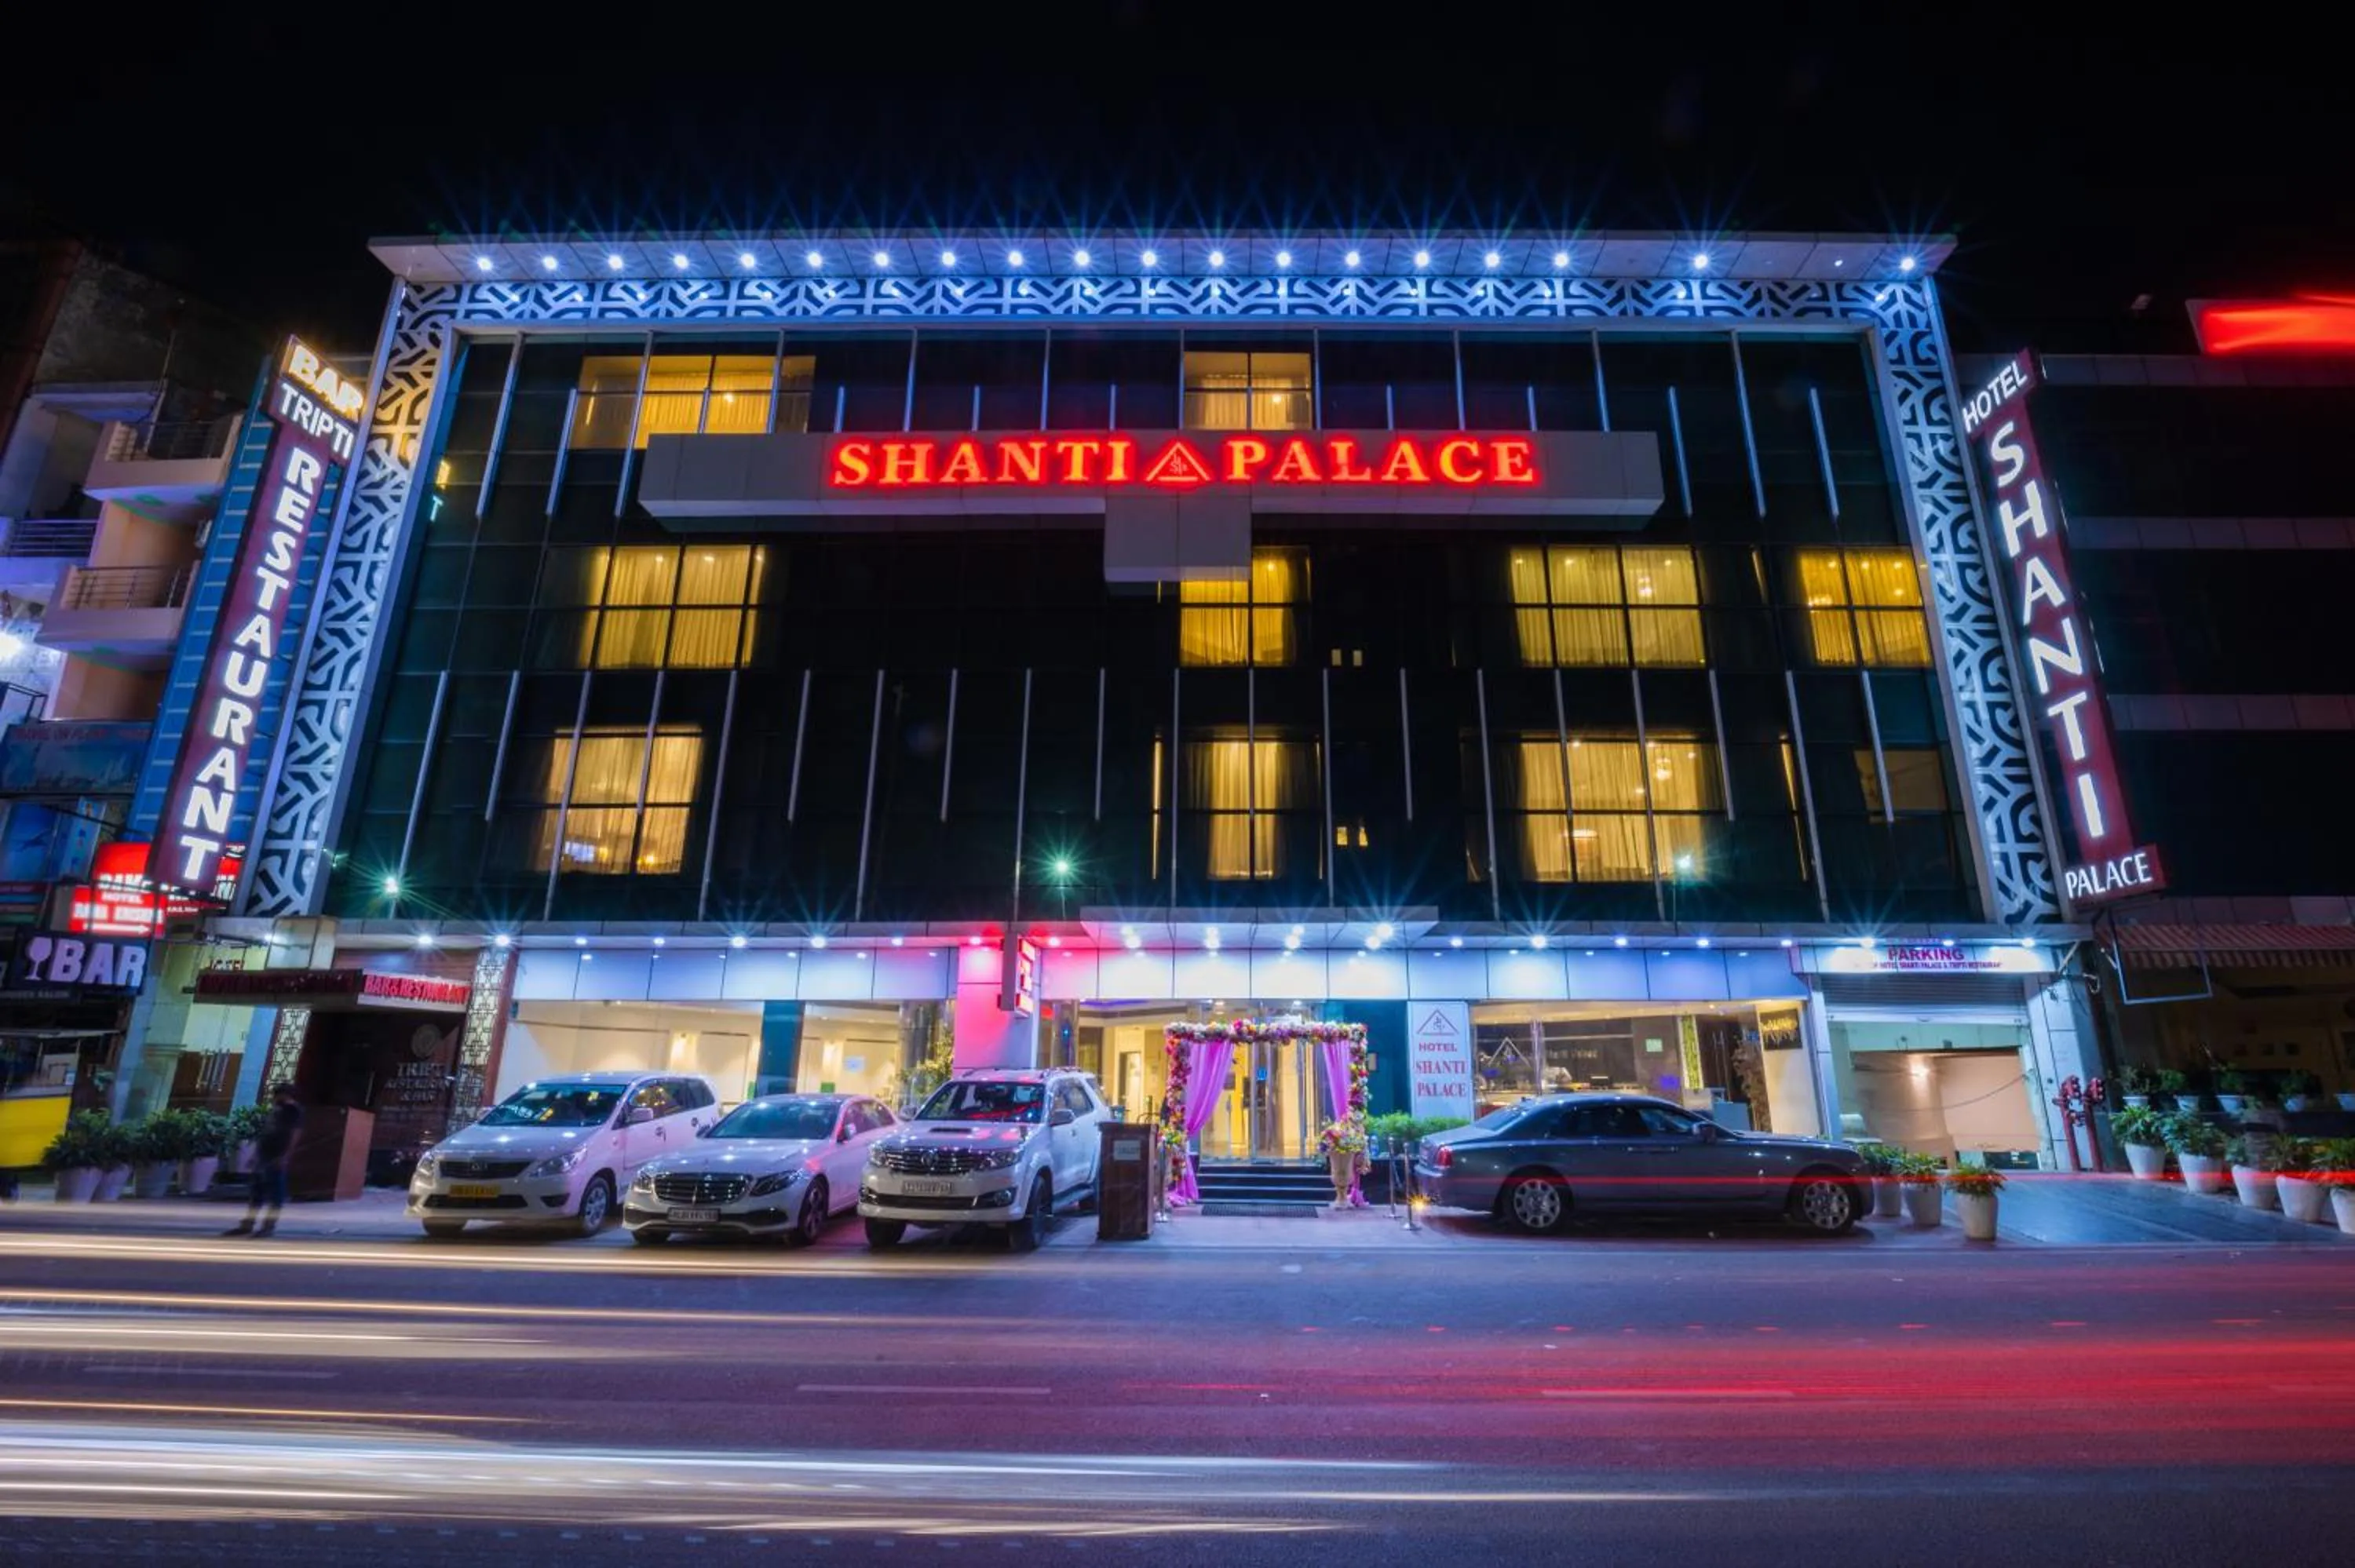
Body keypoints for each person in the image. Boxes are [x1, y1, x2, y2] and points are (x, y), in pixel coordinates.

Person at [226, 1084, 303, 1237]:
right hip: (264, 1154)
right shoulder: (276, 1110)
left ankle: (268, 1226)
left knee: (276, 1194)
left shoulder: (294, 1111)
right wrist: (256, 1155)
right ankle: (248, 1224)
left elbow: (296, 1134)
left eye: (277, 1096)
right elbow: (267, 1132)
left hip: (277, 1155)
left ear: (286, 1095)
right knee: (257, 1192)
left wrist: (285, 1156)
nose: (274, 1099)